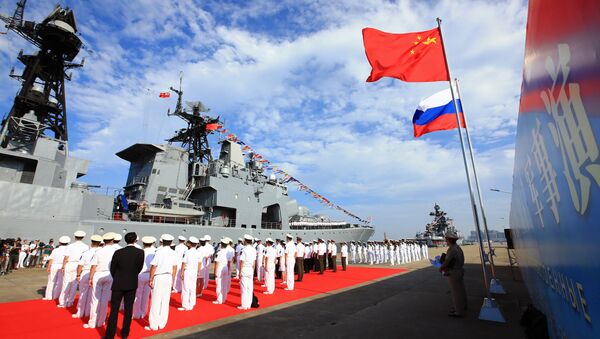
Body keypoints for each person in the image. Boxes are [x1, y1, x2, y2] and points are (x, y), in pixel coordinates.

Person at [105, 232, 144, 339]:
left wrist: (117, 278)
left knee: (114, 310)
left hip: (118, 283)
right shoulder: (140, 252)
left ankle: (109, 335)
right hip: (131, 284)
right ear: (135, 240)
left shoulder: (118, 252)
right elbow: (139, 268)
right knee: (128, 310)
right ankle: (125, 334)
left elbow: (113, 268)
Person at [145, 234, 177, 331]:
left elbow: (154, 266)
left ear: (162, 241)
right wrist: (172, 280)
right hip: (168, 277)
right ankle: (162, 323)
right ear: (171, 242)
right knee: (165, 301)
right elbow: (175, 267)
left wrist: (150, 279)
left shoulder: (159, 252)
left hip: (159, 277)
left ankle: (153, 325)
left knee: (155, 301)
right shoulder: (173, 253)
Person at [84, 232, 117, 329]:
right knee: (105, 299)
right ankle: (101, 321)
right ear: (112, 241)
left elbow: (93, 266)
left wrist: (90, 278)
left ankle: (92, 322)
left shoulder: (98, 252)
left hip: (98, 274)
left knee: (95, 300)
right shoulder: (115, 251)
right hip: (110, 274)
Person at [72, 234, 102, 319]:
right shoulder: (101, 252)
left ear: (92, 242)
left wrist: (78, 275)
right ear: (99, 243)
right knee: (93, 296)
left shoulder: (86, 253)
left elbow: (80, 265)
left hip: (85, 273)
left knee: (82, 294)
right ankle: (88, 313)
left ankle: (80, 313)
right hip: (96, 274)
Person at [439, 230, 467, 318]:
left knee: (456, 293)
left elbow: (447, 261)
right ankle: (463, 306)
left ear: (449, 240)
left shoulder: (451, 249)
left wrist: (441, 268)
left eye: (446, 239)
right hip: (459, 270)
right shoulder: (458, 248)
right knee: (461, 290)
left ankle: (458, 311)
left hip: (454, 272)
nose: (446, 240)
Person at [59, 230, 89, 308]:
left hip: (69, 264)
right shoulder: (86, 246)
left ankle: (62, 302)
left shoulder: (70, 246)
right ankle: (70, 302)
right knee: (74, 285)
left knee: (65, 283)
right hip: (78, 265)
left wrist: (63, 266)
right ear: (83, 237)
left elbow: (66, 257)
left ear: (75, 237)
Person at [133, 236, 156, 319]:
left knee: (138, 295)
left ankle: (136, 314)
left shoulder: (140, 252)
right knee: (146, 296)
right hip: (150, 274)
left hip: (141, 275)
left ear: (143, 243)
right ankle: (143, 313)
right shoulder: (154, 252)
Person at [43, 236, 70, 300]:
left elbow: (51, 259)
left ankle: (48, 296)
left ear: (60, 242)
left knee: (51, 281)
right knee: (60, 282)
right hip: (63, 266)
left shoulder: (56, 250)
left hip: (54, 265)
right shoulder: (69, 250)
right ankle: (56, 296)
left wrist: (48, 267)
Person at [179, 236, 200, 311]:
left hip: (188, 271)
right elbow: (199, 263)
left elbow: (184, 263)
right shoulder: (198, 252)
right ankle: (192, 303)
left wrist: (181, 272)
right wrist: (198, 271)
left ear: (190, 244)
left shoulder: (187, 252)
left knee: (185, 288)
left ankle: (185, 305)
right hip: (194, 271)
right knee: (193, 287)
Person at [238, 234, 256, 310]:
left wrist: (240, 271)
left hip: (245, 268)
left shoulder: (244, 249)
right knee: (250, 288)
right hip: (251, 269)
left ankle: (244, 305)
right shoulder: (253, 249)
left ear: (245, 241)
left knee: (244, 288)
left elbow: (242, 261)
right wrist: (253, 270)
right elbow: (254, 262)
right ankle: (248, 305)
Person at [212, 238, 230, 304]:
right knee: (225, 284)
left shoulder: (219, 253)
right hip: (226, 268)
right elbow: (229, 262)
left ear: (221, 245)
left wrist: (215, 272)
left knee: (219, 284)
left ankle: (219, 300)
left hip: (220, 268)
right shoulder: (228, 252)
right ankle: (223, 299)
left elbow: (217, 263)